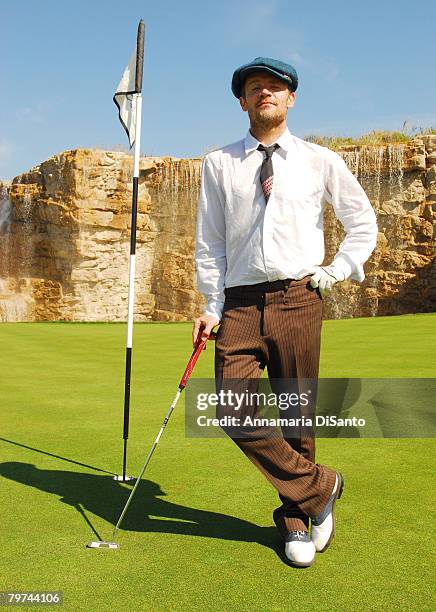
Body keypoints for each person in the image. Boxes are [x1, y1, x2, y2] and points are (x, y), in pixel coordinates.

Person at [192, 57, 378, 567]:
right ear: (243, 101)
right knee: (233, 408)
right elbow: (209, 243)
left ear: (291, 98)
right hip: (239, 305)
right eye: (255, 88)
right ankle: (322, 488)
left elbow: (362, 220)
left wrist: (336, 270)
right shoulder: (219, 163)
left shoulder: (321, 160)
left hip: (299, 297)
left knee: (297, 415)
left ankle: (296, 519)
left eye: (274, 87)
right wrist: (210, 304)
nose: (264, 94)